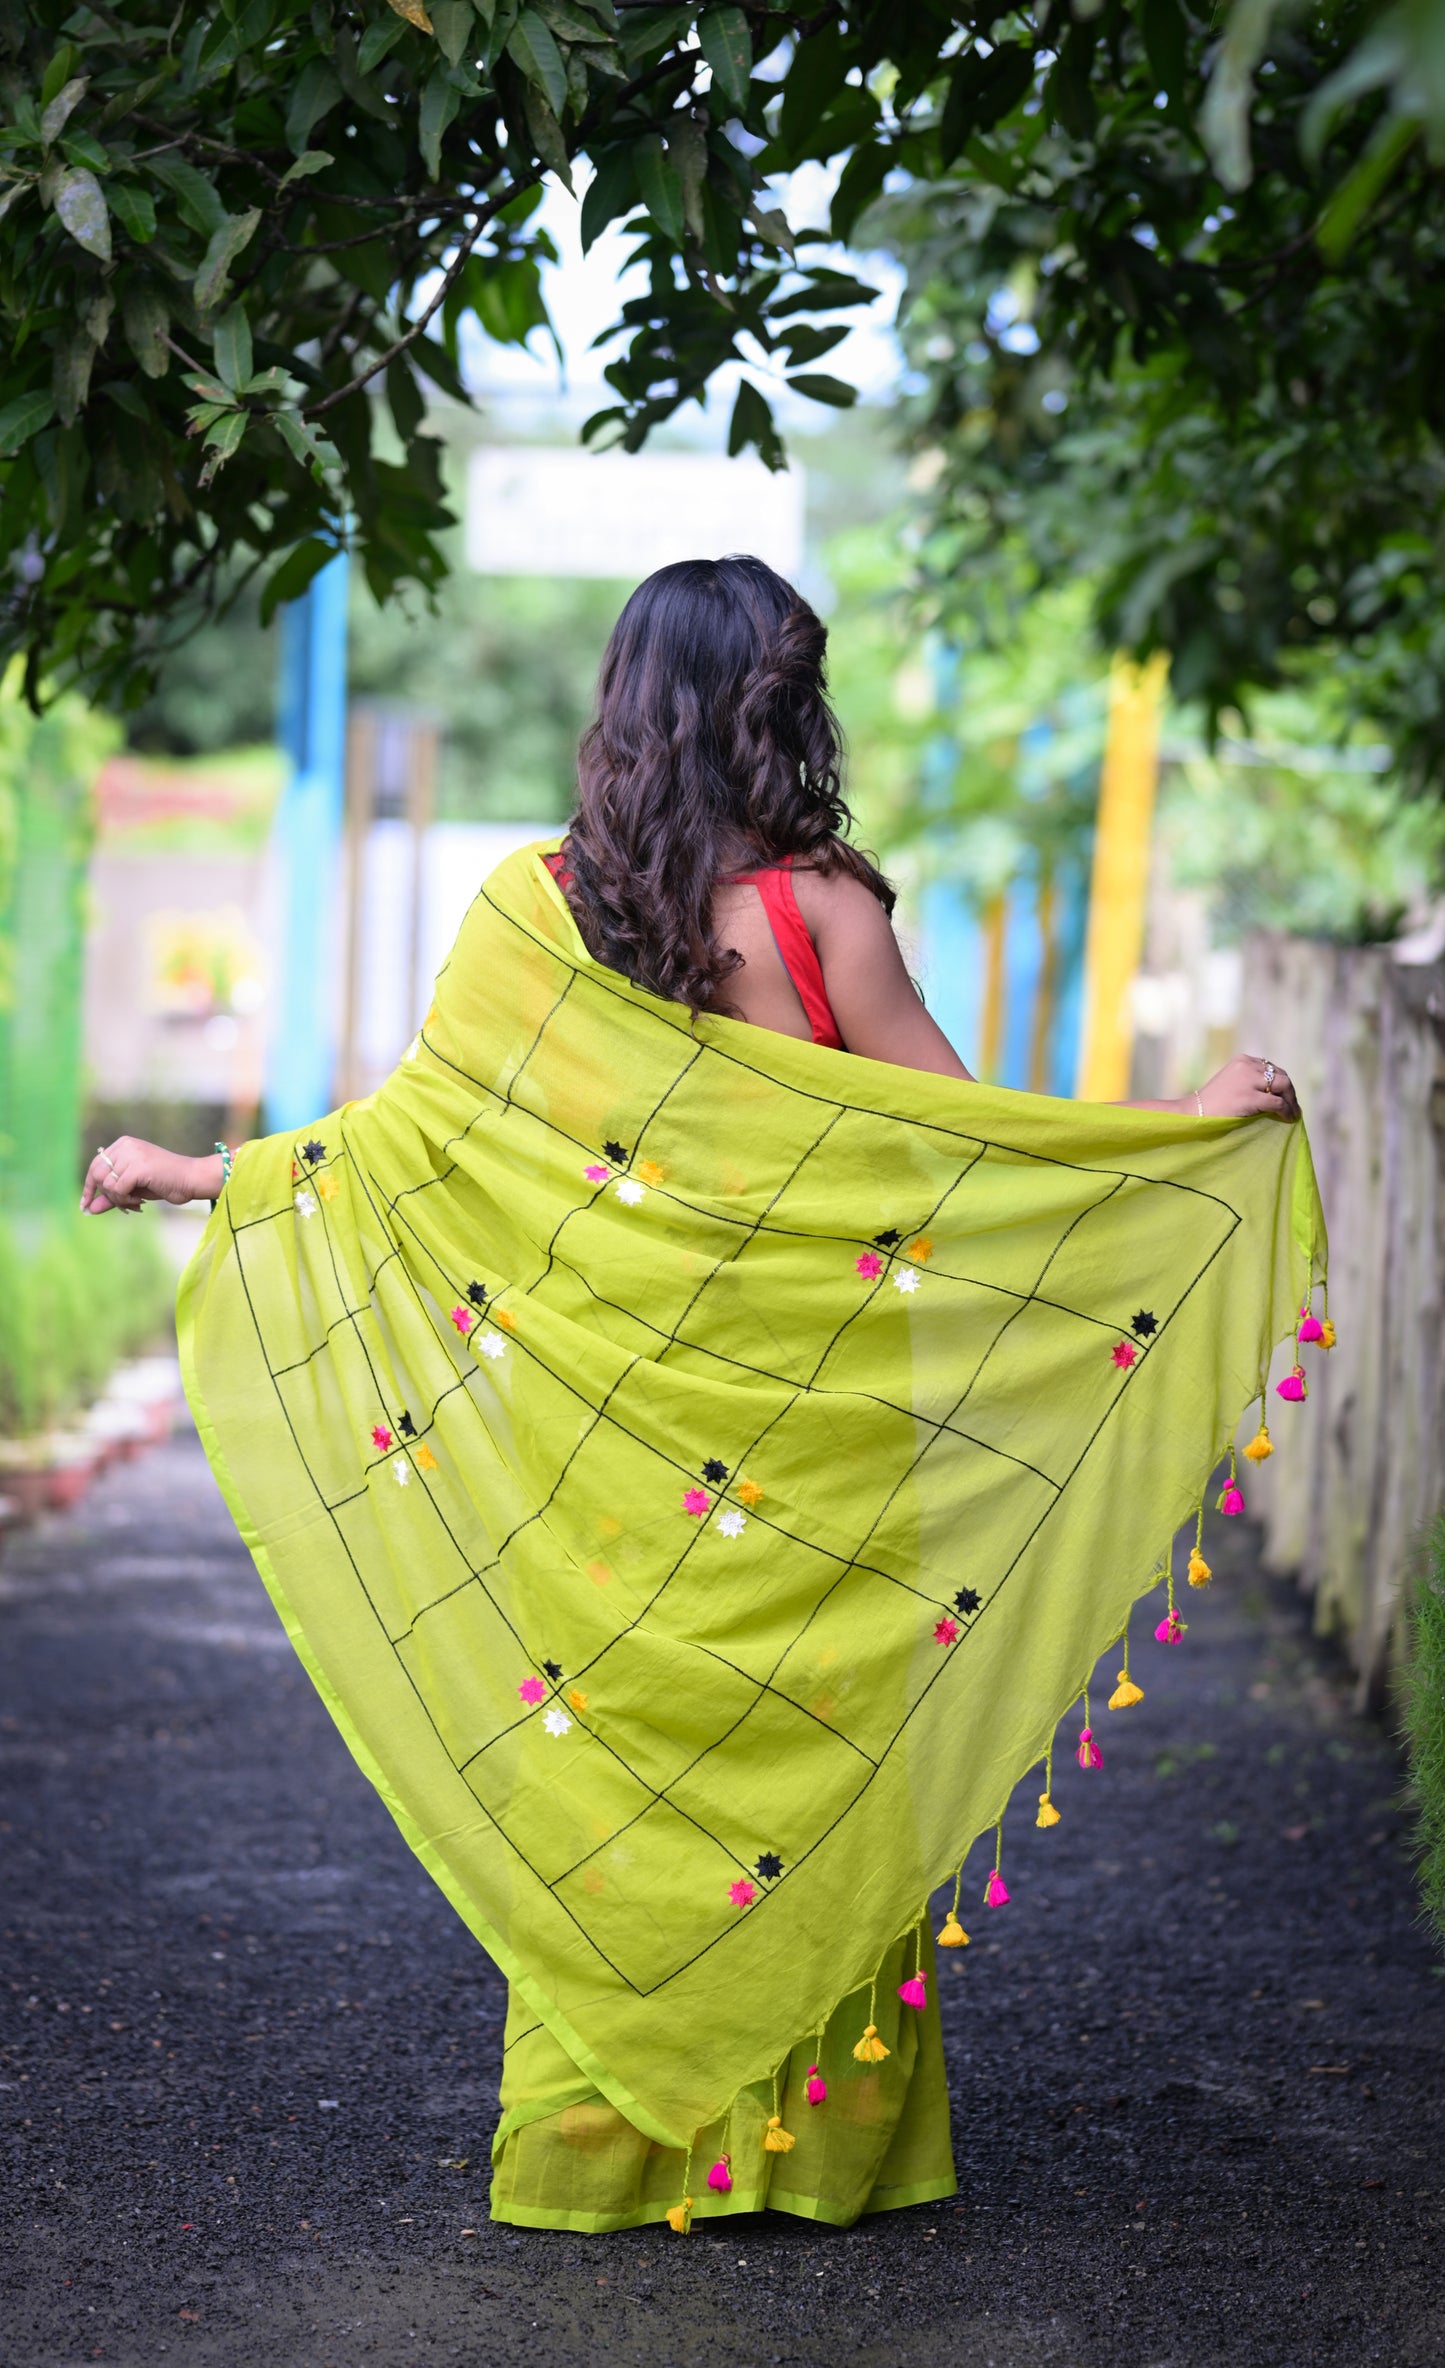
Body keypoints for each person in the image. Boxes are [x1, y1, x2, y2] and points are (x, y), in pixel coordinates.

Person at [81, 556, 1314, 2235]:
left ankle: (610, 2153)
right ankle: (814, 2159)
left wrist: (188, 1173)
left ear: (622, 701)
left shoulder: (537, 909)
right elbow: (974, 1155)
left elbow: (399, 1147)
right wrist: (1180, 1121)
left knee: (621, 1781)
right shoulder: (824, 916)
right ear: (774, 709)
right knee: (817, 1775)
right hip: (823, 1435)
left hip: (608, 1450)